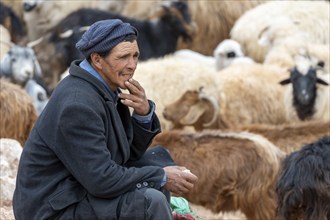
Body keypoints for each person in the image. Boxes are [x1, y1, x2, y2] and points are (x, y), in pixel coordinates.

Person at [13, 19, 198, 220]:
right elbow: (101, 180)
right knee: (150, 200)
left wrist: (143, 115)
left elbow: (127, 154)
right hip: (52, 209)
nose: (132, 65)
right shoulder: (77, 105)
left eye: (135, 56)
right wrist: (161, 177)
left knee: (158, 160)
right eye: (123, 57)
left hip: (77, 188)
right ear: (97, 60)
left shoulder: (105, 88)